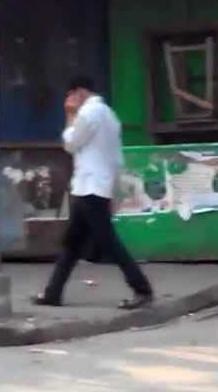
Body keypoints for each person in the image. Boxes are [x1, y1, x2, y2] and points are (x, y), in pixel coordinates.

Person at [35, 76, 155, 310]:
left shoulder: (89, 113)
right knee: (73, 243)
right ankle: (53, 292)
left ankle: (142, 289)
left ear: (78, 93)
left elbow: (70, 143)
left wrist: (69, 114)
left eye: (70, 96)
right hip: (94, 185)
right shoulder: (109, 114)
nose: (70, 101)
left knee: (108, 241)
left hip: (91, 186)